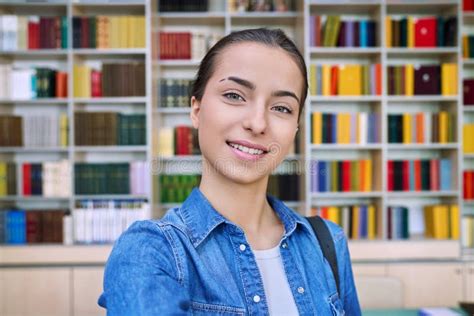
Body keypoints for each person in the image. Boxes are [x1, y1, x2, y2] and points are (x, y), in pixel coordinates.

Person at [98, 28, 361, 315]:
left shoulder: (327, 242)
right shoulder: (149, 251)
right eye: (235, 95)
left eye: (282, 108)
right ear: (196, 110)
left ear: (296, 129)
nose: (258, 123)